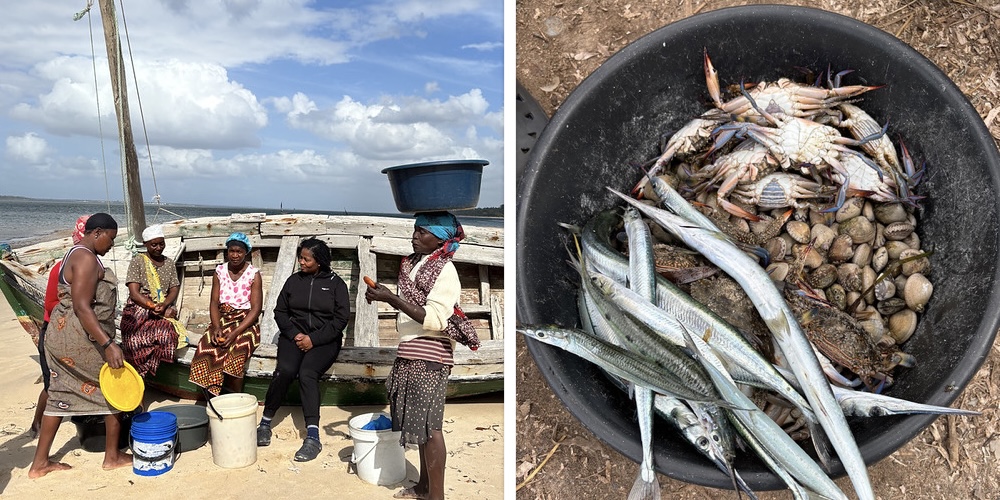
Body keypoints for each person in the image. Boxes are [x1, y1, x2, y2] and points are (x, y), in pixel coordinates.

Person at [364, 211, 480, 500]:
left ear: (439, 239)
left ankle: (436, 496)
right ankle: (424, 487)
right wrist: (383, 295)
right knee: (420, 423)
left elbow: (436, 319)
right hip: (409, 348)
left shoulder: (446, 270)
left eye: (422, 232)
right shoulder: (416, 264)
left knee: (431, 426)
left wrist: (391, 298)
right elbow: (410, 309)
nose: (415, 236)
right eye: (415, 230)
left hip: (431, 353)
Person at [29, 212, 132, 478]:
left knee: (60, 394)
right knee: (113, 386)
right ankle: (112, 456)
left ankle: (39, 463)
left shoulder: (73, 254)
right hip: (80, 339)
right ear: (96, 233)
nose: (111, 245)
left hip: (62, 336)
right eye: (110, 238)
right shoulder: (86, 258)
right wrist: (109, 343)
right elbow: (83, 307)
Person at [256, 238, 350, 462]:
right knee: (285, 371)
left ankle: (313, 437)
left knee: (307, 374)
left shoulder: (336, 284)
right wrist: (294, 334)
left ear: (319, 261)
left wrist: (314, 339)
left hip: (325, 340)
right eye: (300, 257)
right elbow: (280, 311)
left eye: (306, 259)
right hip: (294, 337)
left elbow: (340, 320)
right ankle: (265, 422)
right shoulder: (293, 281)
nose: (301, 262)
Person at [30, 215, 89, 438]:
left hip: (77, 333)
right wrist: (81, 306)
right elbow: (51, 304)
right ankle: (36, 423)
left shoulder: (89, 265)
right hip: (55, 334)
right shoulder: (61, 268)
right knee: (52, 384)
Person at [188, 232, 263, 396]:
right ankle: (211, 394)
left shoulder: (253, 274)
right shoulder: (219, 271)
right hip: (223, 319)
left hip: (246, 322)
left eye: (239, 252)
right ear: (227, 252)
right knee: (205, 349)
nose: (235, 255)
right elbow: (214, 302)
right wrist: (215, 327)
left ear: (246, 253)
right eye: (232, 251)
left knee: (237, 353)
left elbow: (256, 309)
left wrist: (235, 333)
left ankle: (234, 396)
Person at [120, 224, 183, 377]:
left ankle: (150, 368)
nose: (158, 247)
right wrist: (152, 306)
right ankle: (138, 371)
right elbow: (134, 293)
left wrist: (165, 304)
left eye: (161, 243)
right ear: (145, 244)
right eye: (154, 244)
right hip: (139, 307)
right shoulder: (138, 261)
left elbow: (174, 288)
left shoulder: (169, 263)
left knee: (168, 334)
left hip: (161, 305)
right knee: (134, 340)